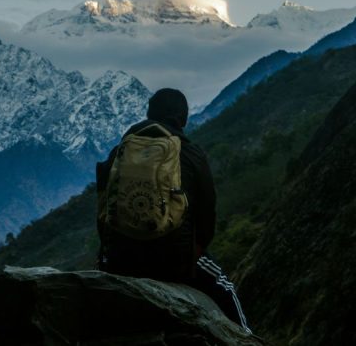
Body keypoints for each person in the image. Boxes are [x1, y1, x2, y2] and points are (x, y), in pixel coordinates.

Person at [96, 88, 251, 333]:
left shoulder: (120, 152)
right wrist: (194, 252)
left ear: (149, 114)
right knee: (224, 287)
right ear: (183, 119)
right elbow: (206, 213)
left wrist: (111, 252)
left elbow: (103, 208)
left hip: (119, 260)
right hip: (173, 262)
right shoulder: (190, 154)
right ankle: (246, 337)